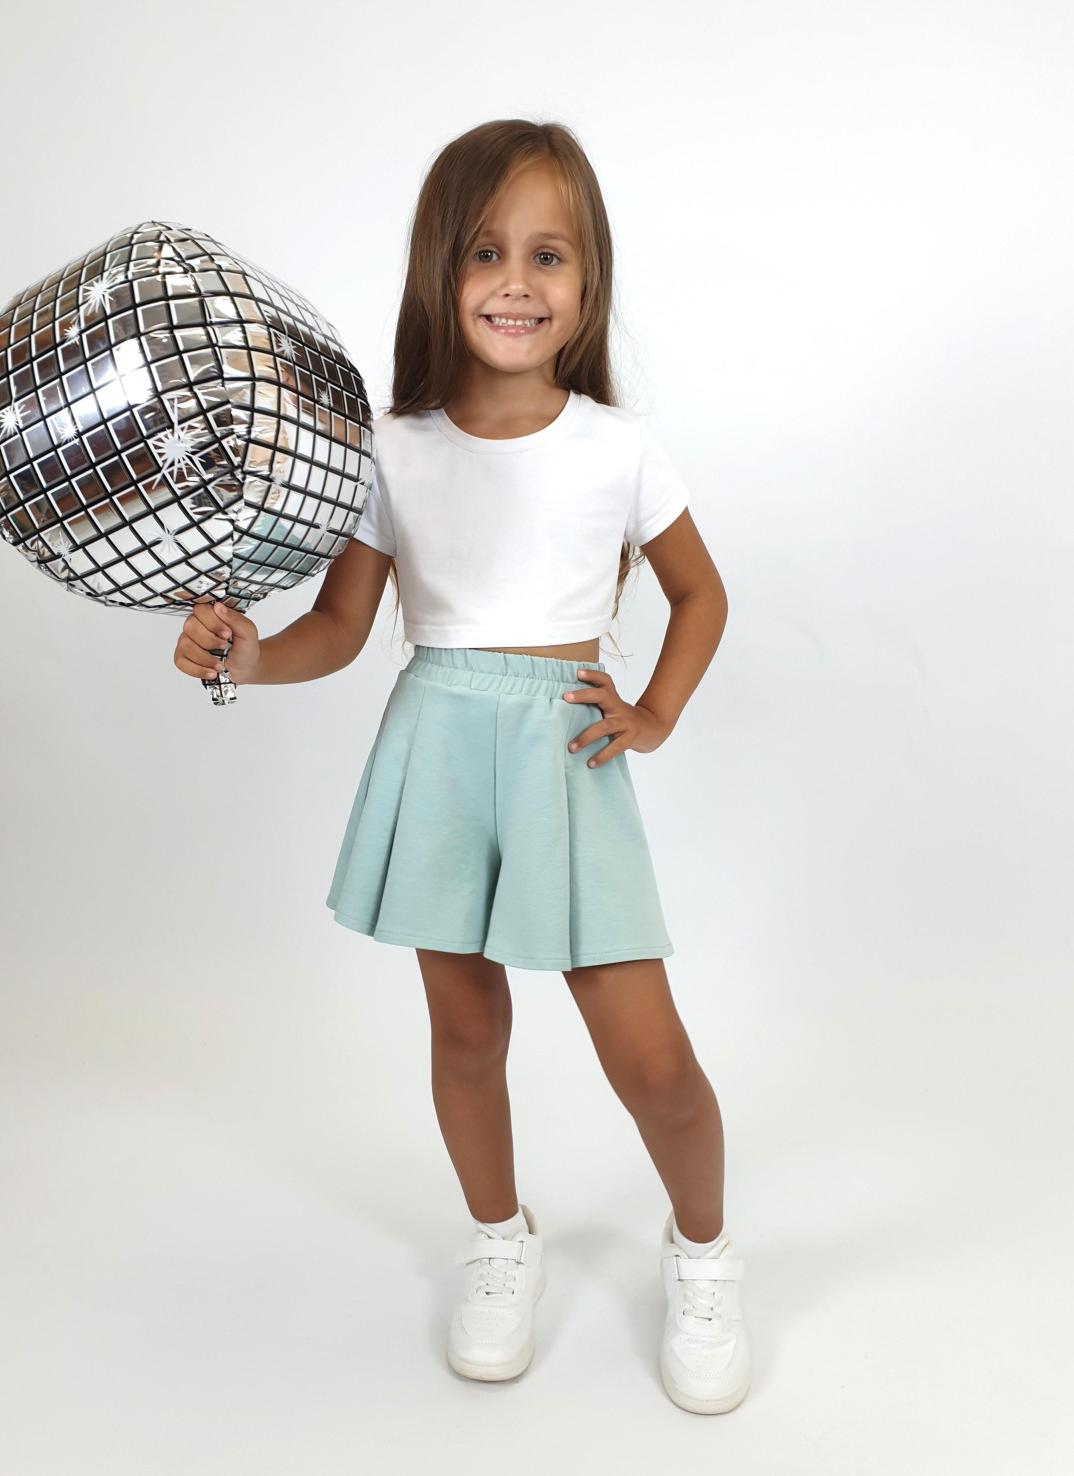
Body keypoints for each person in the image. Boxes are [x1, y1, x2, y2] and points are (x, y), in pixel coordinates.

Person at [172, 118, 750, 1415]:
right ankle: (500, 1239)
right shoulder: (393, 449)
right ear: (441, 271)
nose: (515, 282)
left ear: (588, 281)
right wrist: (243, 656)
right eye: (486, 252)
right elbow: (338, 628)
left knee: (653, 1063)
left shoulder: (618, 446)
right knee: (467, 1027)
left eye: (549, 255)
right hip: (437, 743)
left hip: (562, 752)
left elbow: (701, 594)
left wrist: (653, 712)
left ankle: (706, 1254)